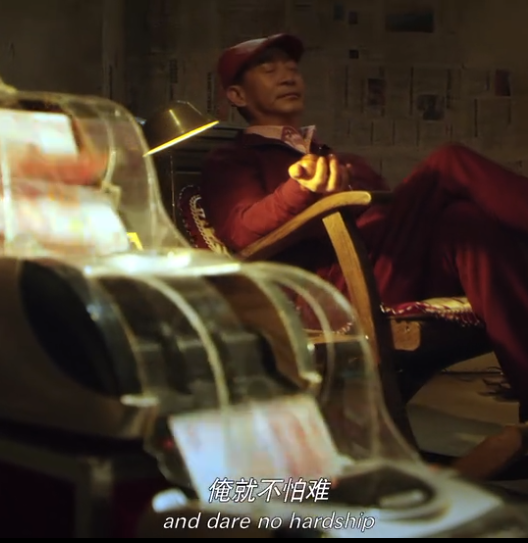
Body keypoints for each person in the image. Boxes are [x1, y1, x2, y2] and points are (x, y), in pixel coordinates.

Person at [201, 33, 528, 421]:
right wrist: (301, 188)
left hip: (383, 265)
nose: (287, 76)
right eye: (269, 69)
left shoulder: (335, 157)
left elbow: (382, 217)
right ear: (237, 95)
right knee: (448, 162)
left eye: (291, 68)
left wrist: (352, 180)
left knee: (467, 224)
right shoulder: (232, 159)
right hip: (333, 290)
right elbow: (241, 232)